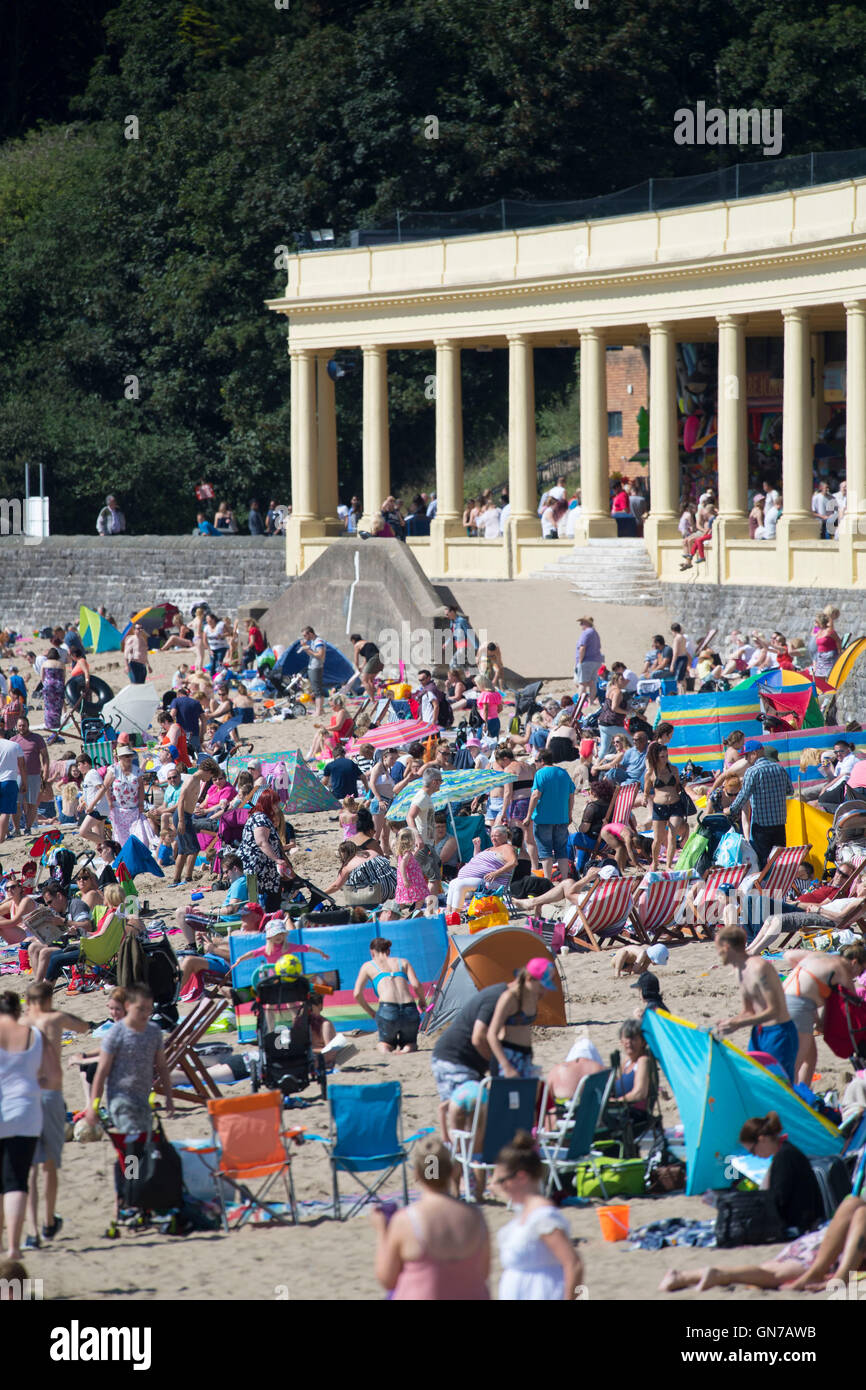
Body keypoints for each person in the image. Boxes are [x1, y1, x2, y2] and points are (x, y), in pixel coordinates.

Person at [660, 1194, 866, 1295]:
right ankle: (827, 1274)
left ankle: (685, 1276)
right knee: (778, 1273)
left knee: (775, 1272)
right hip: (843, 1245)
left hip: (833, 1242)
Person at [371, 1136, 490, 1300]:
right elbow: (483, 1273)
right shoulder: (476, 1216)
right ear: (453, 1170)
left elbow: (387, 1279)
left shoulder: (406, 1221)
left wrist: (381, 1231)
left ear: (417, 1173)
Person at [24, 982, 91, 1248]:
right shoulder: (55, 1018)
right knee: (48, 1165)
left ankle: (31, 1232)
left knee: (28, 1167)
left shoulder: (19, 1022)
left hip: (23, 1097)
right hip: (50, 1096)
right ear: (49, 1000)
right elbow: (84, 1026)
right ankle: (49, 1221)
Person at [493, 1132, 583, 1301]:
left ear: (521, 1177)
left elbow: (574, 1264)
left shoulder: (544, 1217)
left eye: (501, 1181)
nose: (498, 1187)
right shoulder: (525, 1212)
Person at [84, 983, 173, 1136]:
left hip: (143, 1100)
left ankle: (131, 1160)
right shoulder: (115, 1034)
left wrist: (169, 1098)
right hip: (120, 1100)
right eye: (140, 1009)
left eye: (148, 1009)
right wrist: (93, 1107)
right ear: (128, 1006)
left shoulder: (154, 1032)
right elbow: (101, 1072)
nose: (145, 1013)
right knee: (133, 1145)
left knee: (144, 1146)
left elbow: (162, 1067)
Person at [0, 990, 50, 1260]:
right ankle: (14, 1247)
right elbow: (47, 1074)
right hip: (26, 1110)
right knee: (16, 1181)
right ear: (18, 1012)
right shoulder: (35, 1036)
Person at [715, 924, 798, 1082]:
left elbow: (774, 1010)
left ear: (726, 947)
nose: (718, 953)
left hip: (779, 1033)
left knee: (780, 1086)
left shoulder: (759, 968)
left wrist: (739, 1023)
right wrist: (732, 1022)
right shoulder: (739, 970)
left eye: (717, 948)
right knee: (756, 1081)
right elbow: (748, 1011)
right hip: (758, 1032)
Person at [352, 937, 427, 1054]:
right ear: (388, 951)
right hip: (409, 1008)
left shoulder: (368, 966)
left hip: (388, 1009)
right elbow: (416, 985)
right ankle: (406, 1049)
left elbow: (357, 994)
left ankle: (387, 1050)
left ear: (372, 952)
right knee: (410, 1042)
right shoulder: (403, 962)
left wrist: (371, 1011)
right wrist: (422, 1001)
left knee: (384, 1043)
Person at [486, 959, 556, 1080]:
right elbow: (491, 1034)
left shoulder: (533, 996)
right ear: (529, 978)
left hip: (526, 1055)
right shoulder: (509, 997)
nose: (544, 991)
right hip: (508, 1056)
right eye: (541, 986)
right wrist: (506, 1066)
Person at [727, 741, 792, 868]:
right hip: (779, 824)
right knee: (779, 860)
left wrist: (730, 810)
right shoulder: (779, 768)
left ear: (755, 753)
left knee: (762, 862)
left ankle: (765, 887)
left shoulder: (752, 771)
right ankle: (778, 884)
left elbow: (743, 796)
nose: (745, 759)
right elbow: (790, 790)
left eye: (747, 756)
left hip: (761, 826)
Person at [525, 750, 574, 881]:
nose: (534, 764)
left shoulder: (540, 773)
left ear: (542, 761)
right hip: (562, 818)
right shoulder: (563, 773)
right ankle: (565, 879)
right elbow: (571, 795)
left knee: (545, 851)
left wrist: (528, 815)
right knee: (561, 851)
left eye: (536, 761)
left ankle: (547, 881)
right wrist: (569, 814)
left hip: (543, 818)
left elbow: (535, 795)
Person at [238, 788, 290, 912]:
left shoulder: (259, 816)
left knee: (267, 893)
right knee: (266, 895)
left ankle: (267, 915)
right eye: (275, 803)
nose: (277, 806)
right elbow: (261, 842)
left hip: (259, 864)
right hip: (257, 865)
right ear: (269, 803)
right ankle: (268, 917)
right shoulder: (260, 818)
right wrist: (277, 859)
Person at [445, 825, 519, 910]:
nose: (493, 838)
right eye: (491, 836)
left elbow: (513, 862)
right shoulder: (491, 848)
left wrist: (496, 873)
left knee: (460, 884)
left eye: (496, 836)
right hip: (480, 878)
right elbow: (478, 861)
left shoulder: (506, 847)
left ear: (505, 836)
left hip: (494, 880)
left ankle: (455, 914)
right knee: (453, 883)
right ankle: (449, 912)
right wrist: (477, 847)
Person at [643, 742, 688, 872]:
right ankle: (655, 862)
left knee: (672, 835)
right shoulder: (650, 773)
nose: (665, 758)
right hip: (659, 807)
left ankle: (668, 865)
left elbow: (678, 787)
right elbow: (647, 791)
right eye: (662, 756)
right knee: (657, 839)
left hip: (675, 805)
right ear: (656, 757)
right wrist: (645, 798)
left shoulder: (674, 770)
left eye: (666, 755)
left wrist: (685, 781)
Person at [12, 716, 50, 833]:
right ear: (17, 727)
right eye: (20, 726)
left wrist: (46, 771)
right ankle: (17, 829)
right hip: (17, 775)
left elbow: (45, 756)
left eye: (24, 725)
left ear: (28, 725)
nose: (22, 728)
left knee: (32, 803)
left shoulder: (37, 738)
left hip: (34, 774)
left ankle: (28, 828)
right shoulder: (13, 740)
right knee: (16, 803)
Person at [103, 746, 144, 846]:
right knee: (121, 837)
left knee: (139, 836)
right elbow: (105, 787)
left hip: (134, 809)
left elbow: (141, 788)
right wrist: (109, 802)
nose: (129, 758)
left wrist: (141, 803)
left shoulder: (137, 771)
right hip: (117, 808)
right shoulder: (113, 770)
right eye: (126, 756)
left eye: (130, 756)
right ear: (120, 757)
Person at [393, 827, 430, 908]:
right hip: (412, 879)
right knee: (420, 896)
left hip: (407, 879)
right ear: (410, 841)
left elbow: (409, 860)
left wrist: (417, 850)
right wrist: (405, 879)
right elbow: (402, 866)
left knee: (403, 896)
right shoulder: (407, 854)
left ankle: (400, 908)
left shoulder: (403, 854)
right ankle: (417, 909)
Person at [0, 730, 25, 844]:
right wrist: (24, 781)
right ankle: (1, 837)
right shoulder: (15, 745)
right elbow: (22, 766)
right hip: (9, 780)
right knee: (5, 811)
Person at [299, 625, 326, 718]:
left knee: (317, 690)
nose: (304, 638)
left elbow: (320, 655)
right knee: (315, 689)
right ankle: (320, 710)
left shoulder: (318, 641)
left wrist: (308, 650)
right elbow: (312, 654)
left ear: (310, 633)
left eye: (305, 635)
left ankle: (319, 711)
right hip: (312, 667)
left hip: (316, 667)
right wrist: (306, 648)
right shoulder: (313, 642)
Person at [574, 617, 602, 701]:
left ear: (587, 623)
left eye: (582, 623)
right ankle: (591, 701)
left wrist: (580, 661)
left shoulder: (586, 633)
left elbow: (582, 647)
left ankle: (580, 702)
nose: (580, 625)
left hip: (587, 661)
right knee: (592, 683)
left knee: (582, 683)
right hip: (596, 661)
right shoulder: (595, 633)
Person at [349, 633, 383, 700]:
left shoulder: (357, 645)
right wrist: (362, 666)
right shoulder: (367, 643)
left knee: (365, 681)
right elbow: (366, 658)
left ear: (353, 640)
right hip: (381, 660)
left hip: (373, 659)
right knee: (370, 680)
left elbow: (356, 660)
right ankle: (376, 696)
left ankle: (372, 699)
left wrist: (358, 668)